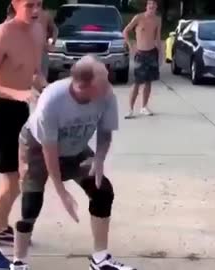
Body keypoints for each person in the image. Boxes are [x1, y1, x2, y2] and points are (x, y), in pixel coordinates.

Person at [10, 55, 137, 270]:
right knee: (31, 203)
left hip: (75, 147)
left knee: (102, 190)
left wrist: (99, 158)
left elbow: (105, 132)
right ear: (83, 86)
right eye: (103, 80)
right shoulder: (52, 101)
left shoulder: (106, 95)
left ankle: (100, 259)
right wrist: (61, 191)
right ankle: (19, 262)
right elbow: (49, 151)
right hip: (37, 148)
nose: (109, 83)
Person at [0, 0, 48, 268]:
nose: (36, 10)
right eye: (29, 5)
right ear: (15, 4)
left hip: (20, 111)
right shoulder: (3, 34)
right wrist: (18, 94)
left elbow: (34, 72)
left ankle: (2, 228)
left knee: (22, 175)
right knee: (11, 181)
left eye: (39, 4)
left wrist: (47, 89)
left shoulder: (38, 29)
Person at [123, 0, 162, 118]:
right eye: (150, 5)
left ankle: (144, 107)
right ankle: (130, 109)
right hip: (140, 54)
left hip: (152, 53)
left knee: (148, 82)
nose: (151, 7)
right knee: (137, 83)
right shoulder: (138, 17)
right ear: (146, 6)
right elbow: (125, 31)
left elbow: (158, 38)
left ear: (156, 8)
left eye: (154, 6)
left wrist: (161, 55)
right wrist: (130, 46)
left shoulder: (157, 20)